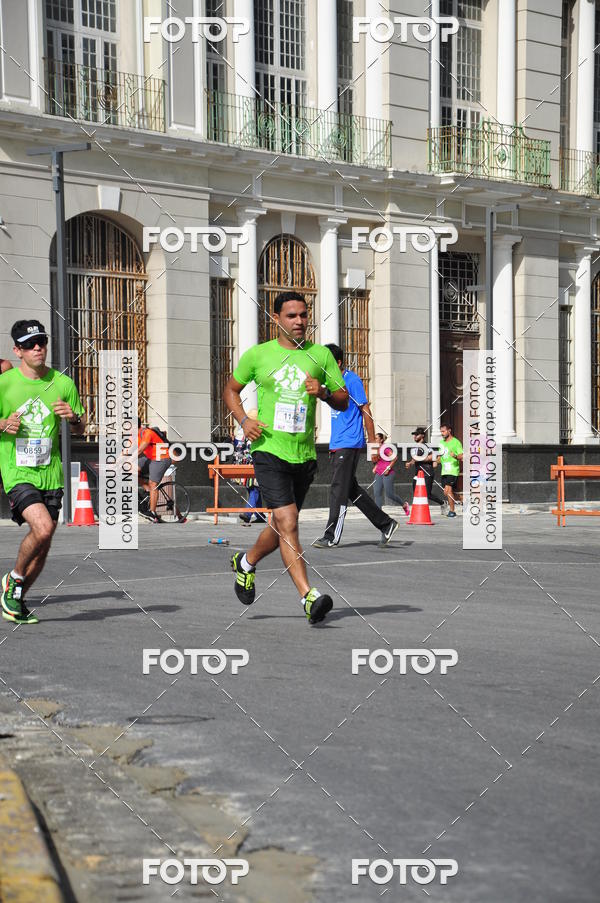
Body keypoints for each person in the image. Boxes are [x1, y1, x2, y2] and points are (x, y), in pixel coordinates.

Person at [223, 290, 349, 624]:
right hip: (268, 449)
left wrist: (322, 392)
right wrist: (245, 420)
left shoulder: (320, 355)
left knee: (281, 525)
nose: (299, 321)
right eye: (291, 316)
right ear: (276, 319)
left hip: (304, 453)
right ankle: (309, 597)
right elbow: (230, 390)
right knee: (289, 521)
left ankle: (246, 562)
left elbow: (342, 399)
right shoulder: (258, 355)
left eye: (304, 315)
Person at [0, 319, 85, 624]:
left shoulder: (62, 383)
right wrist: (2, 424)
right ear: (17, 350)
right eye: (29, 344)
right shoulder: (4, 384)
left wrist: (73, 418)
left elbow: (81, 426)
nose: (37, 348)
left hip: (50, 473)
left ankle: (16, 595)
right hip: (17, 471)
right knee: (44, 528)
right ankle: (14, 579)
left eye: (41, 342)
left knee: (44, 542)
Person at [313, 346, 400, 548]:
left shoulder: (351, 380)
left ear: (339, 363)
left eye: (327, 363)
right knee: (351, 490)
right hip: (337, 444)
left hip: (349, 443)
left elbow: (365, 410)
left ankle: (331, 536)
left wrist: (372, 442)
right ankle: (386, 524)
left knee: (338, 490)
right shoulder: (329, 383)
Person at [136, 419, 180, 523]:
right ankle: (147, 490)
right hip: (151, 458)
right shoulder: (132, 437)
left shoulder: (147, 433)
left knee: (153, 483)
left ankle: (152, 512)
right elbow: (126, 450)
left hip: (162, 458)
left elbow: (139, 450)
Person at [233, 409, 266, 524]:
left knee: (253, 488)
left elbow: (237, 447)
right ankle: (253, 513)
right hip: (254, 464)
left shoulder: (240, 432)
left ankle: (254, 514)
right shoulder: (257, 432)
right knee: (254, 488)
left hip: (242, 465)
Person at [404, 426, 445, 509]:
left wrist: (421, 459)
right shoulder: (415, 447)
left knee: (427, 494)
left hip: (427, 472)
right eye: (414, 435)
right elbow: (414, 459)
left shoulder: (426, 446)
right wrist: (410, 463)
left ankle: (443, 503)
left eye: (417, 435)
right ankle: (419, 510)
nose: (414, 436)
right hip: (418, 473)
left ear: (422, 435)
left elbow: (433, 456)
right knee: (416, 492)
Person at [372, 432, 410, 516]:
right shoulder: (377, 448)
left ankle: (404, 505)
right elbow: (380, 460)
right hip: (379, 473)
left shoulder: (385, 448)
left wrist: (388, 469)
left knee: (389, 494)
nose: (375, 440)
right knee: (377, 492)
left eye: (376, 438)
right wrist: (375, 467)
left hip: (387, 473)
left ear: (381, 439)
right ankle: (379, 514)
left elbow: (395, 458)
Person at [439, 422, 463, 517]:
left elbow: (461, 456)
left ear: (449, 431)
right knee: (446, 492)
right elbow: (441, 456)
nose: (442, 433)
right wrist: (435, 461)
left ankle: (452, 511)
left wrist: (455, 456)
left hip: (453, 470)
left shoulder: (456, 442)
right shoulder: (441, 443)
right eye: (441, 431)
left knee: (448, 491)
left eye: (443, 431)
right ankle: (462, 499)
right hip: (444, 470)